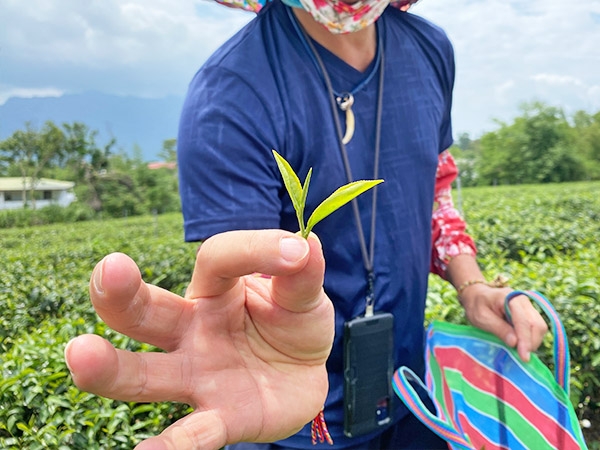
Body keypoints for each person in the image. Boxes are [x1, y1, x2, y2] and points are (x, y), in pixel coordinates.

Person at [65, 0, 549, 448]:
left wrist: (472, 284)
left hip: (415, 394)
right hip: (290, 410)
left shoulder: (429, 49)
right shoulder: (230, 92)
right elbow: (243, 275)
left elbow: (435, 186)